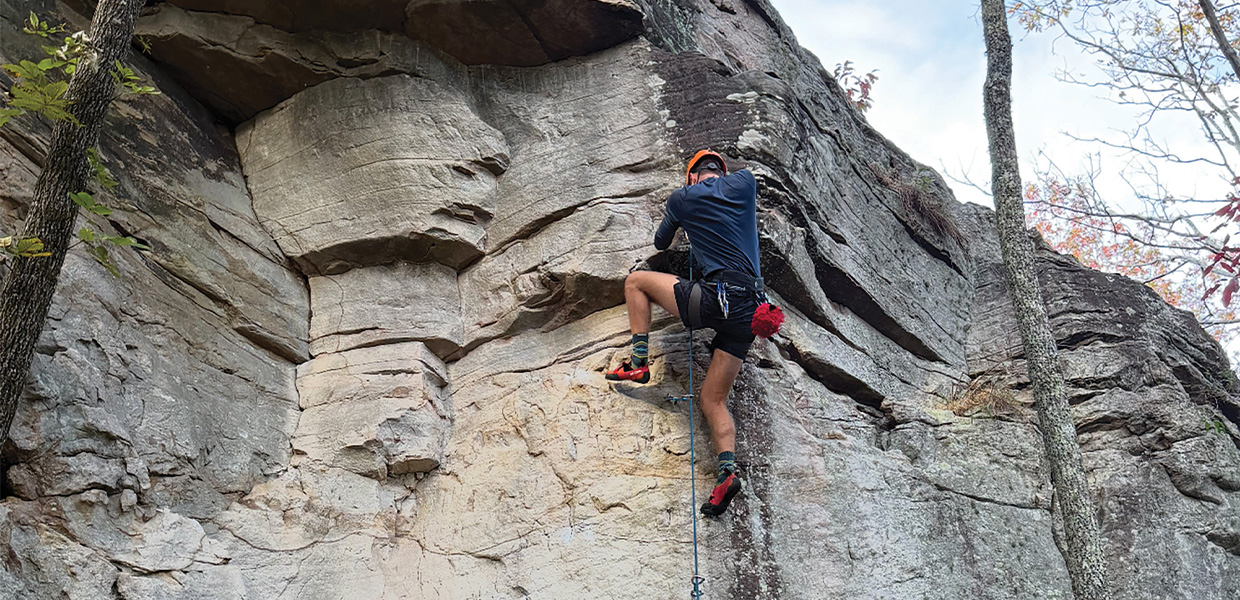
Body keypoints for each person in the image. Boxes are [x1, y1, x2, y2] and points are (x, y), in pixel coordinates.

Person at [606, 149, 765, 517]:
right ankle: (727, 472)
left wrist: (684, 211)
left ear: (692, 176)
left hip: (714, 299)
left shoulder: (683, 197)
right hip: (752, 312)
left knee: (635, 282)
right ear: (722, 171)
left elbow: (661, 242)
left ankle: (639, 362)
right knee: (713, 399)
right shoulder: (745, 183)